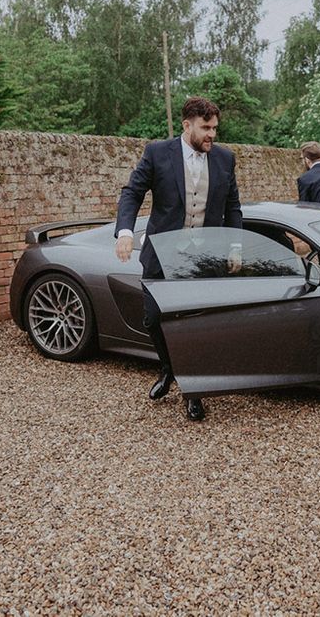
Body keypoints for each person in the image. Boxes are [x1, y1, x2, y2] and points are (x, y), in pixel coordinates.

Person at [115, 97, 243, 421]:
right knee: (153, 318)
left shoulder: (226, 159)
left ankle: (194, 391)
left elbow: (234, 209)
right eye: (206, 128)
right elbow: (132, 193)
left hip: (204, 259)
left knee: (194, 325)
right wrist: (125, 232)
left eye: (215, 128)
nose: (212, 134)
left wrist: (235, 247)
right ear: (187, 125)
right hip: (161, 254)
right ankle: (168, 369)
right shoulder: (158, 153)